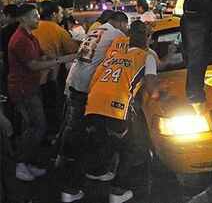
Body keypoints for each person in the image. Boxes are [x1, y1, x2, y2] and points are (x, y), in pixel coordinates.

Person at [60, 21, 159, 203]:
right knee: (133, 148)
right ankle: (118, 191)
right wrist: (163, 93)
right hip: (116, 108)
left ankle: (70, 190)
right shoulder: (146, 57)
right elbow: (153, 91)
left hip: (93, 106)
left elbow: (94, 82)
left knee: (93, 145)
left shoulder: (114, 57)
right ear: (147, 41)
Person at [8, 4, 77, 182]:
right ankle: (20, 163)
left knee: (35, 125)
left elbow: (43, 56)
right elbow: (34, 65)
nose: (38, 19)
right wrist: (62, 59)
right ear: (24, 19)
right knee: (37, 126)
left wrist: (67, 57)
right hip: (23, 88)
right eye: (35, 16)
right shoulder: (20, 39)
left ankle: (28, 162)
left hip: (32, 86)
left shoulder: (30, 37)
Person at [56, 12, 128, 169]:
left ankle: (63, 157)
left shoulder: (96, 31)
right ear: (122, 23)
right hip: (88, 84)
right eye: (126, 26)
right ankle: (89, 165)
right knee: (93, 127)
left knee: (73, 123)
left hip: (76, 79)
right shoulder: (117, 34)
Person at [32, 2, 79, 137]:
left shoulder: (34, 27)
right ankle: (50, 135)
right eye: (59, 13)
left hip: (32, 74)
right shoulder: (57, 29)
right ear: (53, 14)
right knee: (51, 106)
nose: (61, 16)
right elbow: (72, 49)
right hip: (50, 74)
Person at [0, 4, 19, 95]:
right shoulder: (26, 28)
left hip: (9, 68)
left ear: (8, 15)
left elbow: (1, 53)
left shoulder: (4, 31)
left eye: (3, 15)